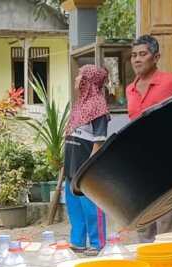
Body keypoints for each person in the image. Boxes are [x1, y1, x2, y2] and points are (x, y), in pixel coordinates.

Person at [127, 35, 172, 242]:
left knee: (166, 220)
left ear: (156, 57)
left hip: (167, 164)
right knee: (142, 220)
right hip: (138, 164)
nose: (137, 59)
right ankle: (145, 266)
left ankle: (166, 265)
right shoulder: (130, 89)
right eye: (134, 55)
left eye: (142, 54)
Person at [64, 65, 110, 254]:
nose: (76, 80)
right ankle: (78, 241)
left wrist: (89, 169)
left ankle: (98, 243)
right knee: (74, 207)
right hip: (71, 167)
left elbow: (99, 142)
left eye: (79, 76)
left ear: (88, 81)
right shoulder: (79, 106)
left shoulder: (98, 106)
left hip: (86, 170)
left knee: (92, 208)